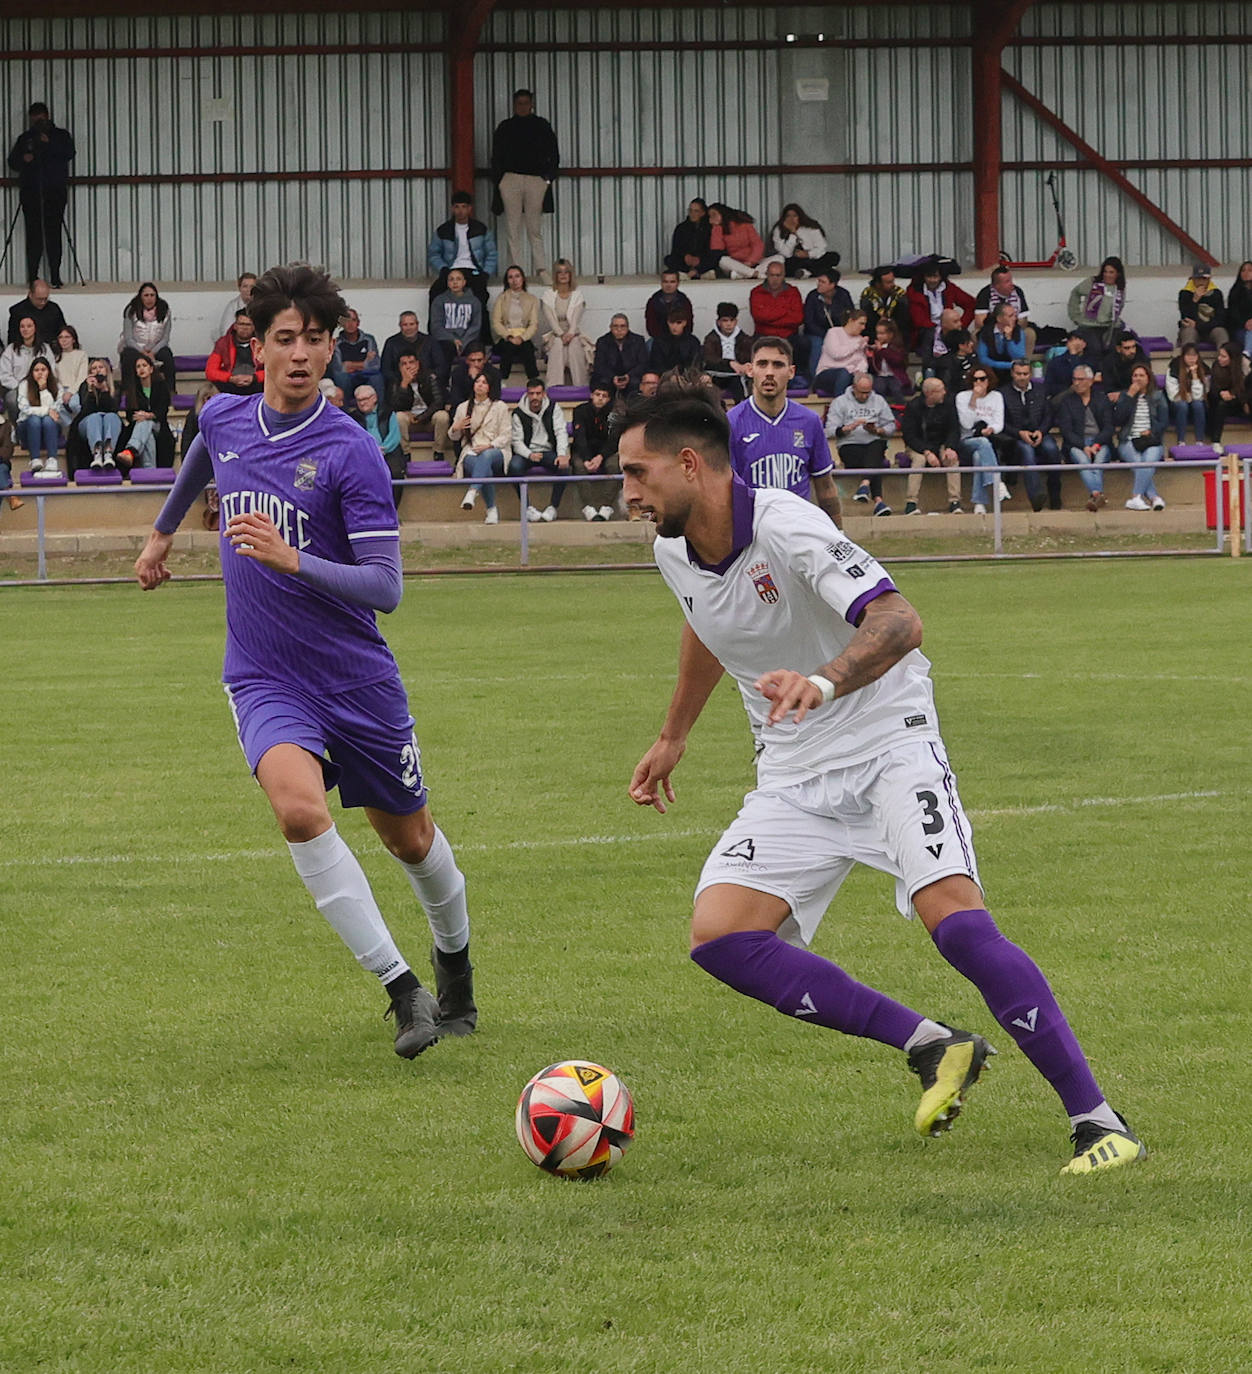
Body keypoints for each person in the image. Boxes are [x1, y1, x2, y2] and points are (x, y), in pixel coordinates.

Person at [618, 390, 1145, 1176]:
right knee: (721, 935)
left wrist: (824, 682)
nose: (625, 491)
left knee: (957, 923)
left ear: (689, 463)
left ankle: (1100, 1121)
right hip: (794, 772)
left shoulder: (787, 524)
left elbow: (899, 621)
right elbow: (705, 619)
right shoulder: (671, 547)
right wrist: (672, 735)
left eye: (636, 471)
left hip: (888, 743)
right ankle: (934, 1044)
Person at [134, 263, 476, 1058]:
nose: (298, 353)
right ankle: (403, 991)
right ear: (259, 348)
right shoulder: (221, 417)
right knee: (297, 810)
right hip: (263, 674)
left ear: (331, 351)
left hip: (356, 680)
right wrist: (159, 536)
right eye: (283, 338)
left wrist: (295, 562)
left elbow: (386, 590)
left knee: (411, 841)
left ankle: (454, 961)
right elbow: (198, 462)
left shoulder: (351, 451)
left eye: (313, 340)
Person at [727, 336, 841, 528]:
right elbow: (724, 492)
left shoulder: (809, 421)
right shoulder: (731, 422)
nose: (769, 372)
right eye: (762, 364)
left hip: (799, 532)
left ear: (791, 372)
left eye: (778, 365)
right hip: (754, 535)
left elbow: (826, 487)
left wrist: (840, 534)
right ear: (750, 370)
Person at [491, 89, 559, 283]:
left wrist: (548, 178)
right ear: (514, 105)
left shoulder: (541, 125)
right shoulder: (505, 127)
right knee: (513, 227)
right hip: (511, 178)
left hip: (535, 179)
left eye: (525, 103)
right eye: (519, 103)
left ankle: (542, 269)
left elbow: (553, 152)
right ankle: (516, 270)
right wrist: (500, 180)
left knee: (534, 227)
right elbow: (496, 155)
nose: (522, 106)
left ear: (531, 104)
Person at [7, 102, 74, 287]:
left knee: (54, 234)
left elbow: (69, 153)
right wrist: (23, 159)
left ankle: (55, 276)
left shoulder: (60, 136)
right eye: (34, 121)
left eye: (41, 120)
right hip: (31, 192)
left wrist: (49, 144)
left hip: (54, 192)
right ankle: (33, 278)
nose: (38, 124)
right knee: (33, 235)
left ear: (47, 117)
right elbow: (12, 162)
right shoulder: (26, 139)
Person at [824, 372, 897, 517]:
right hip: (849, 446)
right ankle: (876, 499)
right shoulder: (840, 402)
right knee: (876, 461)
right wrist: (848, 428)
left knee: (877, 445)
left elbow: (891, 426)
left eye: (868, 393)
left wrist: (876, 429)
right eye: (862, 393)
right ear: (854, 388)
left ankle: (867, 488)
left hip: (873, 444)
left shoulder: (879, 400)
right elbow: (829, 430)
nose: (865, 396)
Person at [1000, 358, 1061, 512]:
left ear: (1030, 374)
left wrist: (1041, 431)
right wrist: (1019, 433)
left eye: (1025, 374)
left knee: (1052, 449)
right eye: (1019, 373)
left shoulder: (1041, 389)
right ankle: (1036, 496)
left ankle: (1055, 494)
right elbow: (1001, 422)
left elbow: (1049, 415)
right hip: (1016, 437)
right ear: (1012, 374)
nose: (1022, 377)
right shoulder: (1002, 393)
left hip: (1040, 432)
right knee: (1027, 451)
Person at [451, 369, 511, 525]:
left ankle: (472, 491)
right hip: (471, 450)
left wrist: (489, 445)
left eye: (484, 383)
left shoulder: (500, 407)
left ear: (490, 387)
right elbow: (454, 437)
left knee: (486, 456)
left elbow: (506, 435)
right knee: (484, 468)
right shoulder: (463, 407)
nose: (480, 385)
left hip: (496, 450)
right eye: (477, 382)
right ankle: (491, 509)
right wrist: (456, 427)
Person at [509, 377, 571, 522]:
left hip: (548, 452)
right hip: (526, 452)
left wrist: (562, 454)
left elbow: (561, 432)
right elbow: (516, 442)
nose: (535, 397)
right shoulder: (518, 413)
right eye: (531, 394)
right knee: (514, 467)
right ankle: (527, 508)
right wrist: (530, 455)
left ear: (544, 394)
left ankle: (553, 508)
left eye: (538, 393)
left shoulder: (554, 408)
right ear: (527, 394)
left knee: (564, 468)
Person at [1054, 364, 1114, 512]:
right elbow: (1066, 431)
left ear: (1091, 381)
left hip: (1099, 442)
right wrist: (1084, 446)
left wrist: (1096, 444)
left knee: (1098, 461)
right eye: (1074, 379)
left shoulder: (1101, 399)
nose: (1076, 383)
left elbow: (1109, 428)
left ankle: (1095, 496)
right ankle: (1097, 494)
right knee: (1082, 460)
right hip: (1076, 444)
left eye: (1081, 379)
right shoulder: (1067, 402)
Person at [901, 378, 963, 515]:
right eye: (941, 390)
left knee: (952, 459)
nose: (944, 392)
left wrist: (950, 447)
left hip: (941, 444)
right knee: (919, 460)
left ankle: (955, 501)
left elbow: (954, 430)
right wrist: (926, 452)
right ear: (929, 393)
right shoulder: (913, 406)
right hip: (918, 446)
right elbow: (909, 436)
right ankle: (911, 503)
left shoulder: (948, 404)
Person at [427, 190, 497, 307]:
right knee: (435, 293)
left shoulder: (481, 229)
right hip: (451, 270)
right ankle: (435, 326)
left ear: (470, 208)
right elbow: (433, 254)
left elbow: (492, 254)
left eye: (464, 207)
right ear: (452, 209)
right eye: (457, 207)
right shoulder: (443, 230)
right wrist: (443, 269)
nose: (460, 211)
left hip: (474, 270)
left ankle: (482, 326)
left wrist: (485, 273)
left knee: (481, 296)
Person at [1113, 364, 1168, 511]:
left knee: (1147, 461)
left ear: (1148, 378)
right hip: (1129, 440)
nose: (1137, 378)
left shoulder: (1158, 396)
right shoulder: (1126, 395)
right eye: (1135, 375)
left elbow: (1164, 422)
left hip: (1151, 441)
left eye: (1141, 375)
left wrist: (1151, 431)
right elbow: (1118, 419)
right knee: (1138, 463)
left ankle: (1136, 497)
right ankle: (1154, 497)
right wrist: (1129, 397)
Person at [955, 368, 1007, 516]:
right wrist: (974, 399)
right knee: (982, 443)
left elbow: (999, 423)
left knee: (979, 455)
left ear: (988, 380)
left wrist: (991, 429)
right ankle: (997, 482)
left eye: (982, 379)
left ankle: (979, 503)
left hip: (989, 439)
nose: (978, 382)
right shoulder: (962, 397)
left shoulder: (996, 396)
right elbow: (966, 424)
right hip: (967, 440)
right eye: (975, 379)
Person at [907, 264, 975, 370]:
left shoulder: (949, 288)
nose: (933, 280)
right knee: (929, 335)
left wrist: (960, 323)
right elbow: (919, 320)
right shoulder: (915, 291)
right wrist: (940, 328)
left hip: (949, 326)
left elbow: (970, 303)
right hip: (926, 330)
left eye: (936, 277)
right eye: (929, 277)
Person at [115, 353, 175, 474]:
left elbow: (163, 410)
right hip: (139, 427)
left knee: (146, 422)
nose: (141, 369)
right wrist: (141, 417)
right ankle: (150, 471)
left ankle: (131, 450)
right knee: (148, 435)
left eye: (144, 365)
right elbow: (129, 415)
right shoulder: (132, 389)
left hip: (159, 425)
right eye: (138, 367)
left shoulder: (161, 386)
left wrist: (149, 415)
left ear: (151, 369)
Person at [350, 383, 406, 509]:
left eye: (365, 399)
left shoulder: (388, 412)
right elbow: (353, 439)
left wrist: (382, 450)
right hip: (363, 454)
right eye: (359, 400)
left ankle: (392, 510)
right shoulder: (352, 417)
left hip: (387, 452)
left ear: (374, 398)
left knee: (396, 473)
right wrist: (369, 451)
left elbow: (394, 437)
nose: (362, 403)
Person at [569, 384, 620, 522]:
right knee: (579, 465)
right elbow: (580, 437)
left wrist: (600, 457)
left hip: (606, 452)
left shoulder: (614, 414)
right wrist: (586, 458)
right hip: (584, 451)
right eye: (597, 395)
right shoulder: (580, 410)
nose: (600, 399)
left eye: (604, 396)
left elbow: (613, 440)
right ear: (592, 395)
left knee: (615, 465)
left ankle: (606, 506)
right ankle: (588, 507)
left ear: (609, 399)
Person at [540, 258, 592, 388]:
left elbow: (575, 320)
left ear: (570, 274)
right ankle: (554, 387)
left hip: (573, 333)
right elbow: (551, 320)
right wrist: (561, 335)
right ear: (555, 275)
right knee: (557, 345)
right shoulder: (548, 295)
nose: (563, 275)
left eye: (566, 272)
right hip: (556, 334)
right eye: (559, 272)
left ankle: (581, 387)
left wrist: (570, 334)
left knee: (575, 346)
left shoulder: (577, 295)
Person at [388, 351, 450, 459]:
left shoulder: (429, 377)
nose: (408, 366)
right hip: (409, 422)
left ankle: (438, 453)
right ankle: (406, 454)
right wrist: (404, 384)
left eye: (411, 362)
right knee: (398, 417)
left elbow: (438, 402)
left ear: (417, 364)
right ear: (399, 367)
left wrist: (421, 417)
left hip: (429, 419)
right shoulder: (395, 381)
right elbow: (393, 407)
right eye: (404, 364)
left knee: (443, 415)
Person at [66, 357, 122, 473]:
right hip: (87, 424)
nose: (97, 371)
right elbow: (86, 411)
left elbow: (113, 409)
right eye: (94, 368)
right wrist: (91, 391)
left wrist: (105, 391)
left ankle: (108, 452)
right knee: (95, 417)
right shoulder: (84, 386)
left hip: (109, 424)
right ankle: (97, 453)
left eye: (100, 367)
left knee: (111, 417)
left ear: (107, 370)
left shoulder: (115, 388)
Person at [120, 282, 176, 394]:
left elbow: (165, 338)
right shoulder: (131, 311)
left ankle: (170, 390)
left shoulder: (165, 311)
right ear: (140, 296)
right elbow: (128, 338)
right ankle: (126, 390)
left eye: (152, 295)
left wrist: (153, 352)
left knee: (168, 356)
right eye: (146, 295)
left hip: (157, 347)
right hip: (136, 347)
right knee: (127, 356)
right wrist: (142, 352)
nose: (149, 298)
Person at [429, 269, 485, 382]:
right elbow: (436, 326)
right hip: (447, 340)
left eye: (458, 279)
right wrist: (453, 340)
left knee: (476, 351)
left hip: (468, 340)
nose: (455, 282)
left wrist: (463, 342)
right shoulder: (439, 301)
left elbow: (476, 325)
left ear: (464, 282)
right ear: (447, 283)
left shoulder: (474, 301)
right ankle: (443, 384)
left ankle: (476, 381)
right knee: (443, 351)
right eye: (451, 279)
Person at [802, 270, 856, 382]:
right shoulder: (813, 296)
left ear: (832, 285)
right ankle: (815, 378)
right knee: (818, 344)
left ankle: (849, 376)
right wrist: (827, 335)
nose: (819, 284)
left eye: (823, 282)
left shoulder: (843, 295)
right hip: (817, 333)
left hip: (839, 332)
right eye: (819, 281)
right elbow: (809, 321)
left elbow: (850, 316)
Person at [0, 314, 57, 419]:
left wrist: (41, 385)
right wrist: (22, 388)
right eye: (22, 326)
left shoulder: (45, 349)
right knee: (11, 399)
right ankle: (17, 429)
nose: (25, 329)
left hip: (41, 386)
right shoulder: (11, 350)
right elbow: (4, 375)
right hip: (17, 389)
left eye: (29, 326)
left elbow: (52, 371)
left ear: (35, 328)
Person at [490, 265, 541, 380]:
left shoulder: (531, 299)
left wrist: (522, 337)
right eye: (510, 277)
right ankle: (502, 382)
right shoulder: (501, 299)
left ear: (523, 278)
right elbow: (496, 322)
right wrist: (509, 336)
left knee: (527, 349)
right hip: (506, 338)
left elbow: (533, 324)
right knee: (508, 348)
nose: (514, 280)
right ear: (507, 281)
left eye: (517, 276)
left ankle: (534, 382)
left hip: (523, 337)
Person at [973, 265, 1036, 358]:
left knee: (1029, 333)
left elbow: (1024, 320)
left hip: (1015, 328)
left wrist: (1011, 328)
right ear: (996, 285)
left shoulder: (1018, 292)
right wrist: (999, 328)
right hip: (991, 330)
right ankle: (985, 366)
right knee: (975, 334)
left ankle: (1023, 366)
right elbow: (979, 322)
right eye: (1007, 281)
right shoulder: (985, 293)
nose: (1012, 284)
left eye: (1011, 280)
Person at [1068, 257, 1127, 353]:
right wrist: (1075, 316)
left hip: (1110, 327)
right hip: (1090, 325)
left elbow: (1119, 307)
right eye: (1105, 272)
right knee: (1096, 349)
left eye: (1111, 272)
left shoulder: (1120, 288)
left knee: (1113, 350)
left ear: (1118, 274)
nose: (1107, 275)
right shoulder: (1092, 282)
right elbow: (1075, 293)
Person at [764, 203, 838, 279]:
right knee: (785, 266)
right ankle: (818, 271)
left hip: (812, 259)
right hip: (793, 261)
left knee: (833, 256)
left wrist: (808, 254)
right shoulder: (778, 229)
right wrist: (792, 234)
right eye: (788, 216)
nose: (791, 219)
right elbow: (785, 253)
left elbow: (821, 248)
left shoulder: (811, 227)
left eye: (794, 216)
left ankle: (807, 272)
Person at [16, 358, 63, 477]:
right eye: (36, 370)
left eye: (43, 369)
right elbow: (25, 409)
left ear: (49, 371)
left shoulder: (57, 385)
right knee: (34, 420)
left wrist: (43, 389)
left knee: (48, 420)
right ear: (31, 372)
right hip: (27, 428)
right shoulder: (24, 385)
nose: (40, 373)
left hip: (50, 428)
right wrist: (46, 410)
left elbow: (55, 410)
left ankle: (52, 459)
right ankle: (35, 459)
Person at [813, 309, 870, 398]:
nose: (864, 328)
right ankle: (839, 406)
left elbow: (862, 362)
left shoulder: (859, 339)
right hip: (827, 373)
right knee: (844, 373)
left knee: (867, 379)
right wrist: (857, 345)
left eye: (865, 324)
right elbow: (836, 354)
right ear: (851, 321)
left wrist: (861, 374)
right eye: (861, 323)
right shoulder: (833, 332)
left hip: (851, 375)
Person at [702, 303, 753, 399]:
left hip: (737, 376)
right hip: (716, 375)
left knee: (739, 385)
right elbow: (710, 361)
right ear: (718, 322)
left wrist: (744, 365)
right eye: (725, 321)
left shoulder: (744, 339)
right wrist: (730, 363)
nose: (729, 324)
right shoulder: (711, 339)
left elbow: (747, 358)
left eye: (731, 320)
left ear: (736, 322)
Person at [329, 308, 383, 399]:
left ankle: (380, 412)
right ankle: (344, 411)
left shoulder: (369, 339)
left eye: (353, 320)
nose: (350, 324)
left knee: (377, 377)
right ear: (342, 324)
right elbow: (338, 368)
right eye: (347, 320)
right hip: (348, 377)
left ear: (358, 323)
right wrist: (365, 362)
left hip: (366, 374)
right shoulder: (337, 343)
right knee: (340, 377)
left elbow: (375, 365)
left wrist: (349, 365)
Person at [207, 311, 264, 396]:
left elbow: (275, 370)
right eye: (241, 324)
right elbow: (210, 371)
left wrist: (254, 378)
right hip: (230, 383)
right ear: (235, 326)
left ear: (254, 327)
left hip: (257, 384)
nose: (244, 328)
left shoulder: (264, 343)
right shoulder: (223, 343)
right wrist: (230, 378)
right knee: (205, 390)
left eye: (248, 324)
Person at [591, 314, 648, 399]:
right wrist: (613, 377)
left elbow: (643, 363)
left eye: (623, 326)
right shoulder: (602, 341)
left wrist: (628, 376)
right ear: (610, 327)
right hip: (609, 376)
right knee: (603, 382)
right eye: (615, 326)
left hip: (632, 376)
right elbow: (599, 366)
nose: (619, 329)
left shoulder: (638, 340)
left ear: (628, 327)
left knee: (635, 383)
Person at [749, 261, 805, 344]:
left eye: (778, 275)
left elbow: (798, 318)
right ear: (766, 274)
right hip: (764, 335)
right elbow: (758, 317)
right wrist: (785, 311)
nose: (775, 279)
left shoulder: (793, 292)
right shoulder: (756, 292)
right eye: (772, 275)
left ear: (784, 275)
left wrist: (769, 317)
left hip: (789, 336)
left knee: (804, 343)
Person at [380, 311, 438, 391]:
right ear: (400, 325)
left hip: (426, 384)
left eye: (411, 324)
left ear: (417, 324)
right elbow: (385, 369)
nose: (409, 328)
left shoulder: (430, 341)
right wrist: (403, 378)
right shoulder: (391, 342)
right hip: (400, 385)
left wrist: (425, 376)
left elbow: (441, 367)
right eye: (405, 325)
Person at [1176, 264, 1228, 351]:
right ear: (1192, 279)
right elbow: (1186, 318)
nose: (1201, 282)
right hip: (1192, 329)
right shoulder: (1185, 293)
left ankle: (1224, 360)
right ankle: (1189, 361)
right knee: (1189, 332)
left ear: (1209, 279)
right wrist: (1194, 300)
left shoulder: (1216, 293)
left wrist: (1198, 325)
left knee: (1221, 332)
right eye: (1197, 278)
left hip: (1210, 329)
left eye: (1204, 279)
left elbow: (1220, 319)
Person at [1207, 341, 1250, 444]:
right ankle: (1215, 441)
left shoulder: (1245, 366)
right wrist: (1221, 393)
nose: (1219, 358)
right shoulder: (1216, 365)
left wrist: (1233, 395)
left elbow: (1247, 389)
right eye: (1220, 355)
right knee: (1220, 404)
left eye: (1224, 356)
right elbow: (1213, 387)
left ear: (1233, 358)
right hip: (1220, 399)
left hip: (1240, 399)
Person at [707, 203, 765, 280]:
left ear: (723, 213)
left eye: (714, 214)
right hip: (734, 264)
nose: (711, 219)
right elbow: (717, 250)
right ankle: (754, 274)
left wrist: (750, 262)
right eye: (710, 216)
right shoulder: (718, 229)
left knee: (778, 258)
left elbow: (758, 245)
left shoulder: (744, 224)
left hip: (752, 262)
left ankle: (743, 274)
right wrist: (716, 228)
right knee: (722, 261)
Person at [1164, 344, 1208, 444]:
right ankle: (1181, 441)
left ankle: (1199, 440)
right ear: (1183, 356)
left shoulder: (1203, 368)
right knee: (1182, 405)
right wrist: (1186, 397)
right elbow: (1172, 395)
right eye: (1188, 355)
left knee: (1198, 405)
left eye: (1194, 356)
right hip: (1177, 401)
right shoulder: (1174, 367)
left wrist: (1195, 375)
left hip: (1194, 401)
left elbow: (1199, 396)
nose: (1192, 359)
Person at [976, 303, 1027, 385]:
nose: (1015, 318)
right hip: (992, 370)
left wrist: (1009, 339)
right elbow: (983, 359)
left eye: (1015, 315)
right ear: (999, 318)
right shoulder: (986, 332)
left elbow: (1019, 357)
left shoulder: (1018, 331)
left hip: (1012, 372)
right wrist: (1007, 365)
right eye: (1011, 316)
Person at [445, 343, 502, 414]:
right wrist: (471, 379)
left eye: (479, 360)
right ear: (467, 360)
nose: (476, 364)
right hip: (462, 411)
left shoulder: (494, 373)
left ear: (485, 359)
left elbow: (495, 396)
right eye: (472, 360)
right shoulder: (458, 373)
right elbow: (456, 399)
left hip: (486, 411)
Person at [7, 278, 66, 346]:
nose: (43, 302)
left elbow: (63, 331)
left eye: (46, 299)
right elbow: (13, 338)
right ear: (30, 294)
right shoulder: (17, 311)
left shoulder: (54, 308)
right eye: (39, 299)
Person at [860, 267, 911, 344]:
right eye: (888, 282)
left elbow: (904, 321)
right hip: (874, 337)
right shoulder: (868, 297)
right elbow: (869, 324)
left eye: (893, 281)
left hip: (896, 336)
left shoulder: (900, 295)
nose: (893, 285)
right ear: (878, 284)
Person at [664, 197, 713, 278]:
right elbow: (676, 248)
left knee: (715, 260)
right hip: (686, 261)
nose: (692, 214)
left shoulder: (709, 228)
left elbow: (712, 249)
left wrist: (699, 258)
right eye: (690, 211)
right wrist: (686, 256)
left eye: (696, 211)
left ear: (703, 213)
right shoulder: (681, 228)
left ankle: (696, 272)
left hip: (701, 260)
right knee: (669, 259)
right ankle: (696, 274)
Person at [1096, 332, 1149, 405]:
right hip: (1116, 399)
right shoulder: (1108, 362)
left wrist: (1124, 394)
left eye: (1133, 347)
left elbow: (1145, 385)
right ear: (1118, 349)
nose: (1132, 351)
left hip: (1139, 396)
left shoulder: (1142, 359)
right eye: (1127, 348)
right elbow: (1109, 388)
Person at [867, 318, 911, 403]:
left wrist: (882, 351)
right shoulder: (877, 348)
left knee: (896, 389)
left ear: (891, 334)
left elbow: (896, 361)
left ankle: (901, 408)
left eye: (882, 333)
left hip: (895, 376)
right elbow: (874, 367)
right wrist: (870, 357)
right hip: (881, 376)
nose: (879, 336)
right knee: (879, 388)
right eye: (878, 333)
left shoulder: (896, 347)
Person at [648, 308, 701, 377]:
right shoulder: (659, 341)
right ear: (667, 322)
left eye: (678, 323)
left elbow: (695, 365)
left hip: (687, 379)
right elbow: (656, 365)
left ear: (684, 323)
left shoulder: (693, 342)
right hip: (664, 379)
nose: (674, 327)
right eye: (671, 323)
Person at [644, 271, 694, 341]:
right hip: (659, 340)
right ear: (661, 283)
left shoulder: (684, 302)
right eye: (665, 282)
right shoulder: (653, 302)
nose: (668, 285)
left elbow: (689, 326)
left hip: (681, 339)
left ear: (678, 283)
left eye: (672, 282)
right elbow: (651, 327)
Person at [1043, 330, 1089, 398]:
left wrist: (1073, 357)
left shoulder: (1090, 360)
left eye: (1079, 340)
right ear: (1067, 344)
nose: (1075, 343)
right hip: (1062, 397)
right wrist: (1068, 389)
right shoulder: (1056, 362)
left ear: (1084, 344)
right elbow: (1048, 387)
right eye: (1072, 340)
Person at [216, 272, 258, 342]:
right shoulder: (232, 306)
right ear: (239, 288)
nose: (248, 290)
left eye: (252, 287)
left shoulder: (264, 306)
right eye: (245, 286)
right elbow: (225, 331)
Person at [933, 328, 976, 396]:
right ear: (961, 345)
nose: (972, 344)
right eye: (969, 341)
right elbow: (947, 385)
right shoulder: (945, 363)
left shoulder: (974, 358)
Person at [1225, 261, 1252, 356]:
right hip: (1240, 328)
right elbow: (1233, 313)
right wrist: (1245, 323)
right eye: (1243, 270)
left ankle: (1247, 354)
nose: (1246, 273)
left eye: (1249, 270)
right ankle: (1247, 355)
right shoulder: (1235, 292)